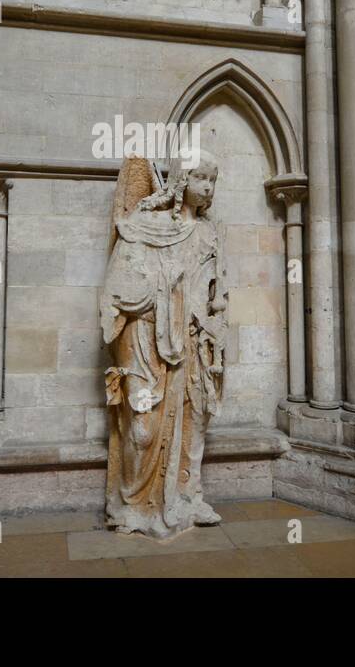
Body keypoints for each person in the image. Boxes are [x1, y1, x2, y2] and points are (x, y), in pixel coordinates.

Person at [100, 153, 227, 538]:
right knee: (142, 427)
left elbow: (217, 293)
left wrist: (214, 323)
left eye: (212, 179)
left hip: (192, 342)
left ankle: (188, 495)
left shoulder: (209, 233)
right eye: (200, 177)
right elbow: (119, 287)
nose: (207, 186)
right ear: (180, 179)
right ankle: (131, 504)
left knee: (194, 422)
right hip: (143, 340)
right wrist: (163, 285)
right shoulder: (142, 225)